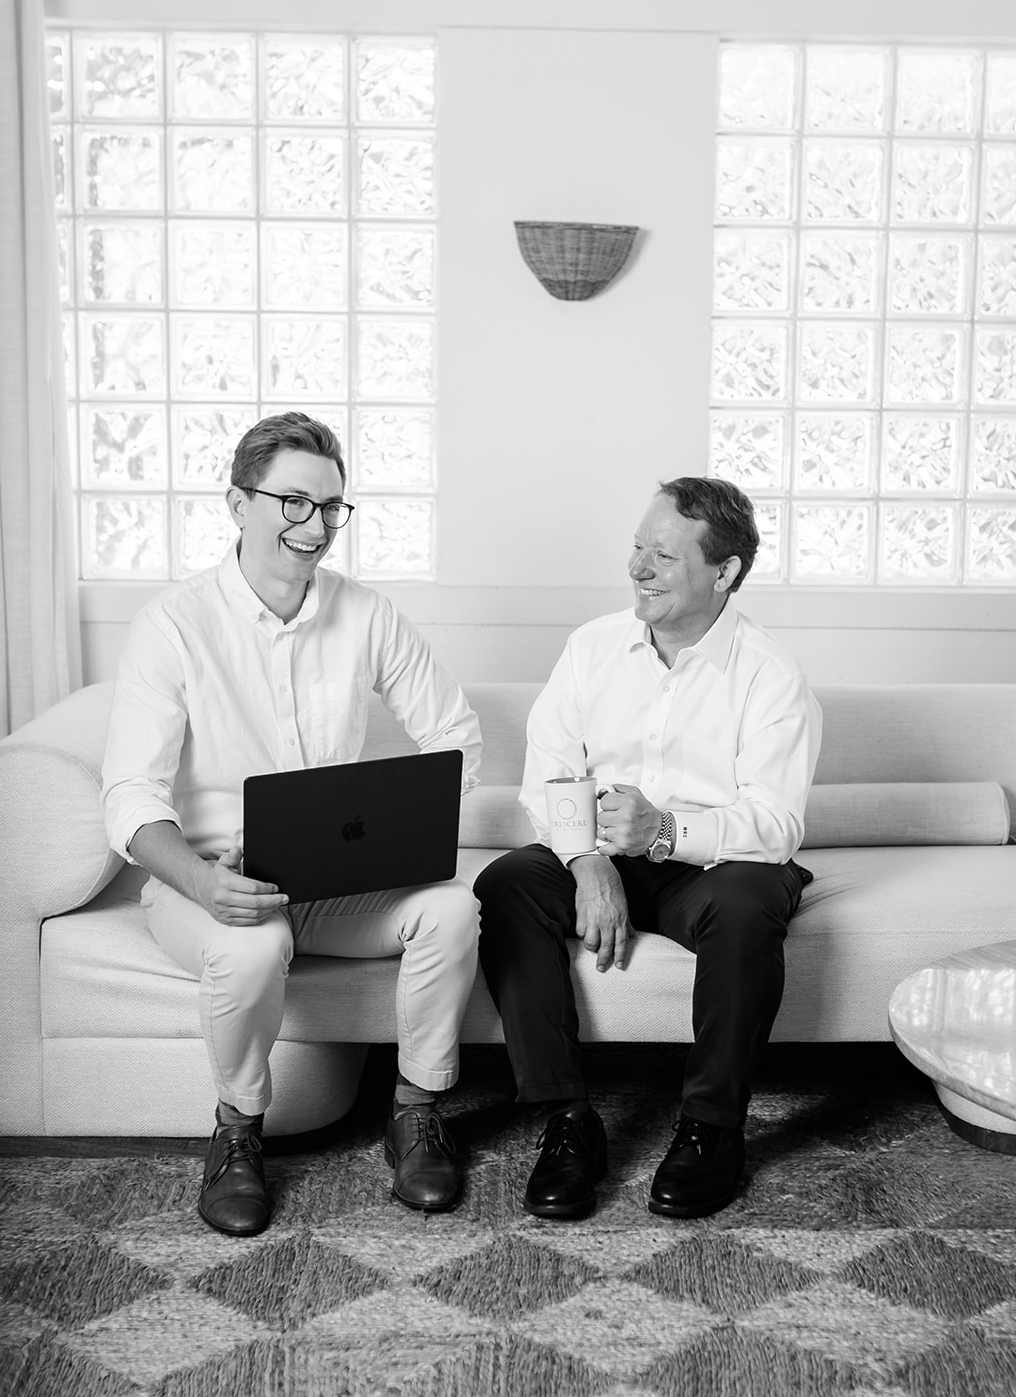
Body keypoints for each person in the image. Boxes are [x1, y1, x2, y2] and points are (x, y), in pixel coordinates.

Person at [102, 412, 482, 1236]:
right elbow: (130, 795)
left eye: (332, 508)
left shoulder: (368, 614)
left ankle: (415, 1113)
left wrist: (396, 821)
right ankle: (238, 1130)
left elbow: (455, 735)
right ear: (239, 503)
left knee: (452, 907)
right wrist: (205, 881)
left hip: (335, 882)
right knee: (253, 941)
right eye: (294, 503)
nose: (315, 528)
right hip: (211, 881)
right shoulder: (173, 624)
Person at [474, 476, 822, 1222]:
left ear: (723, 572)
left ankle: (710, 1130)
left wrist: (666, 832)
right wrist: (587, 860)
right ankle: (567, 1122)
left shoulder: (771, 676)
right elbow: (550, 771)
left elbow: (776, 821)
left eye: (662, 556)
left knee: (749, 900)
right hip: (601, 853)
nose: (637, 569)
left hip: (713, 869)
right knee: (506, 882)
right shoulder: (593, 646)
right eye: (637, 548)